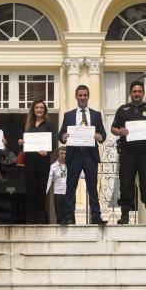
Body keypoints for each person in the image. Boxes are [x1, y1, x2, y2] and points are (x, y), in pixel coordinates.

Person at [111, 80, 146, 225]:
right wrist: (119, 131)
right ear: (130, 93)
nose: (137, 94)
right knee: (126, 184)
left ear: (143, 93)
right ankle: (124, 216)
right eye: (134, 91)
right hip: (128, 153)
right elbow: (113, 128)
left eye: (139, 91)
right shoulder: (123, 110)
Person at [57, 85, 108, 225]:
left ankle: (96, 217)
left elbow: (103, 134)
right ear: (76, 96)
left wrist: (100, 137)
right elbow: (61, 134)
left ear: (88, 96)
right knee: (71, 187)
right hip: (74, 155)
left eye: (85, 95)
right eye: (80, 95)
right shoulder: (68, 115)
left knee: (92, 187)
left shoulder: (96, 114)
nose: (83, 98)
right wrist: (64, 137)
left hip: (90, 155)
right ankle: (68, 217)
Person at [20, 99, 54, 224]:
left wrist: (48, 152)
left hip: (43, 161)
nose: (39, 109)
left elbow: (53, 144)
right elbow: (25, 145)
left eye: (41, 107)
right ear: (33, 110)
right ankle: (29, 219)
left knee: (41, 189)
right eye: (37, 107)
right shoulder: (28, 125)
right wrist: (21, 143)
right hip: (30, 161)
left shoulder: (49, 125)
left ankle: (40, 219)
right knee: (30, 189)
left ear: (44, 110)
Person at [47, 146, 69, 223]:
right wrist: (45, 192)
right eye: (61, 153)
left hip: (69, 194)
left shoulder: (70, 165)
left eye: (65, 153)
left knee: (69, 218)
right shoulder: (53, 166)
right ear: (58, 154)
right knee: (59, 217)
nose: (63, 155)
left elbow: (81, 174)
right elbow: (49, 180)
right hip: (58, 194)